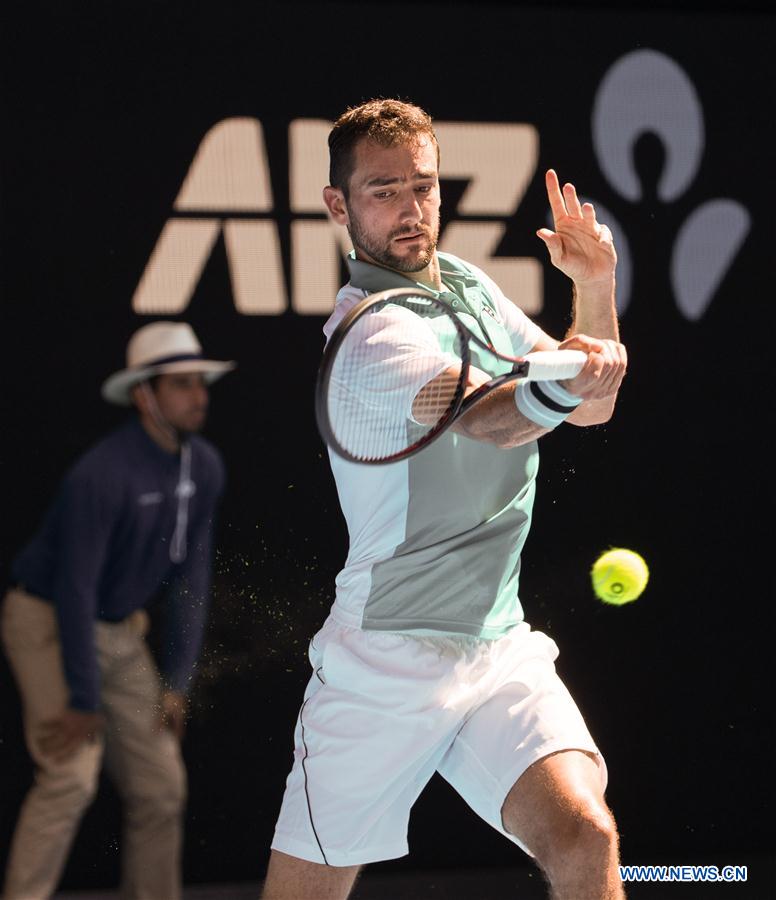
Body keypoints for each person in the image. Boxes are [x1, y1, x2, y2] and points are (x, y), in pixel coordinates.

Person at [261, 99, 628, 900]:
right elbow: (490, 418)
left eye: (422, 187)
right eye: (383, 190)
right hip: (381, 665)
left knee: (584, 835)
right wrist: (564, 388)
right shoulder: (368, 334)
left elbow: (590, 400)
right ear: (339, 206)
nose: (410, 209)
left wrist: (594, 290)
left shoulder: (466, 283)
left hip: (495, 647)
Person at [1, 321, 235, 900]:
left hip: (119, 633)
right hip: (47, 622)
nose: (198, 396)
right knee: (71, 778)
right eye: (181, 384)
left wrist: (177, 682)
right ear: (144, 395)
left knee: (162, 786)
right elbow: (74, 592)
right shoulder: (100, 475)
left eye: (200, 382)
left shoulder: (204, 466)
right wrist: (83, 702)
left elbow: (191, 580)